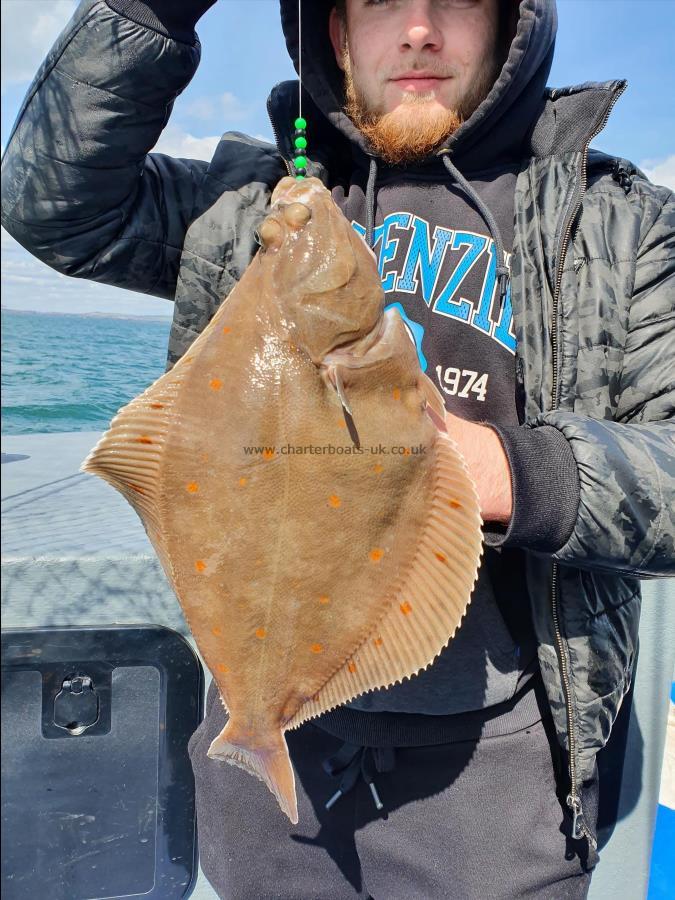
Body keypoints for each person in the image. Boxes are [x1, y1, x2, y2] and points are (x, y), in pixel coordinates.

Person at [1, 0, 673, 897]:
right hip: (265, 752)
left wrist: (511, 471)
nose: (419, 29)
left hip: (500, 774)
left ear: (513, 24)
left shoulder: (620, 226)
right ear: (333, 30)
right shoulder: (243, 208)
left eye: (456, 1)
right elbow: (51, 206)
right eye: (380, 1)